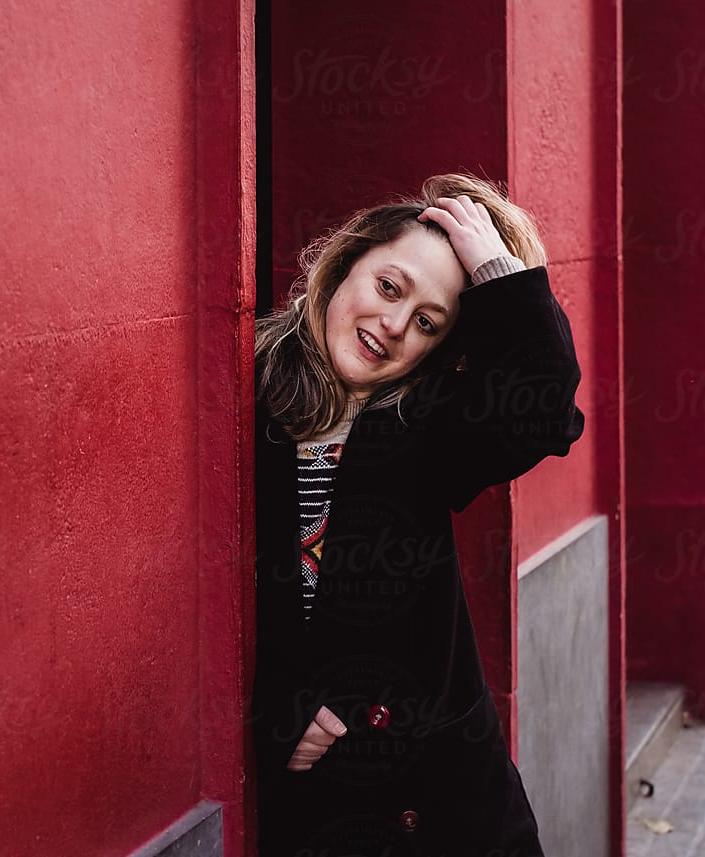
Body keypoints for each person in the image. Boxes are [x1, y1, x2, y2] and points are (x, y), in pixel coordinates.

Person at [252, 173, 584, 857]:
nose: (394, 326)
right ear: (345, 264)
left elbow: (545, 412)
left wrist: (500, 271)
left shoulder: (427, 428)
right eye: (388, 287)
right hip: (325, 805)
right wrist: (282, 703)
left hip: (446, 805)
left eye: (428, 322)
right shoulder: (247, 396)